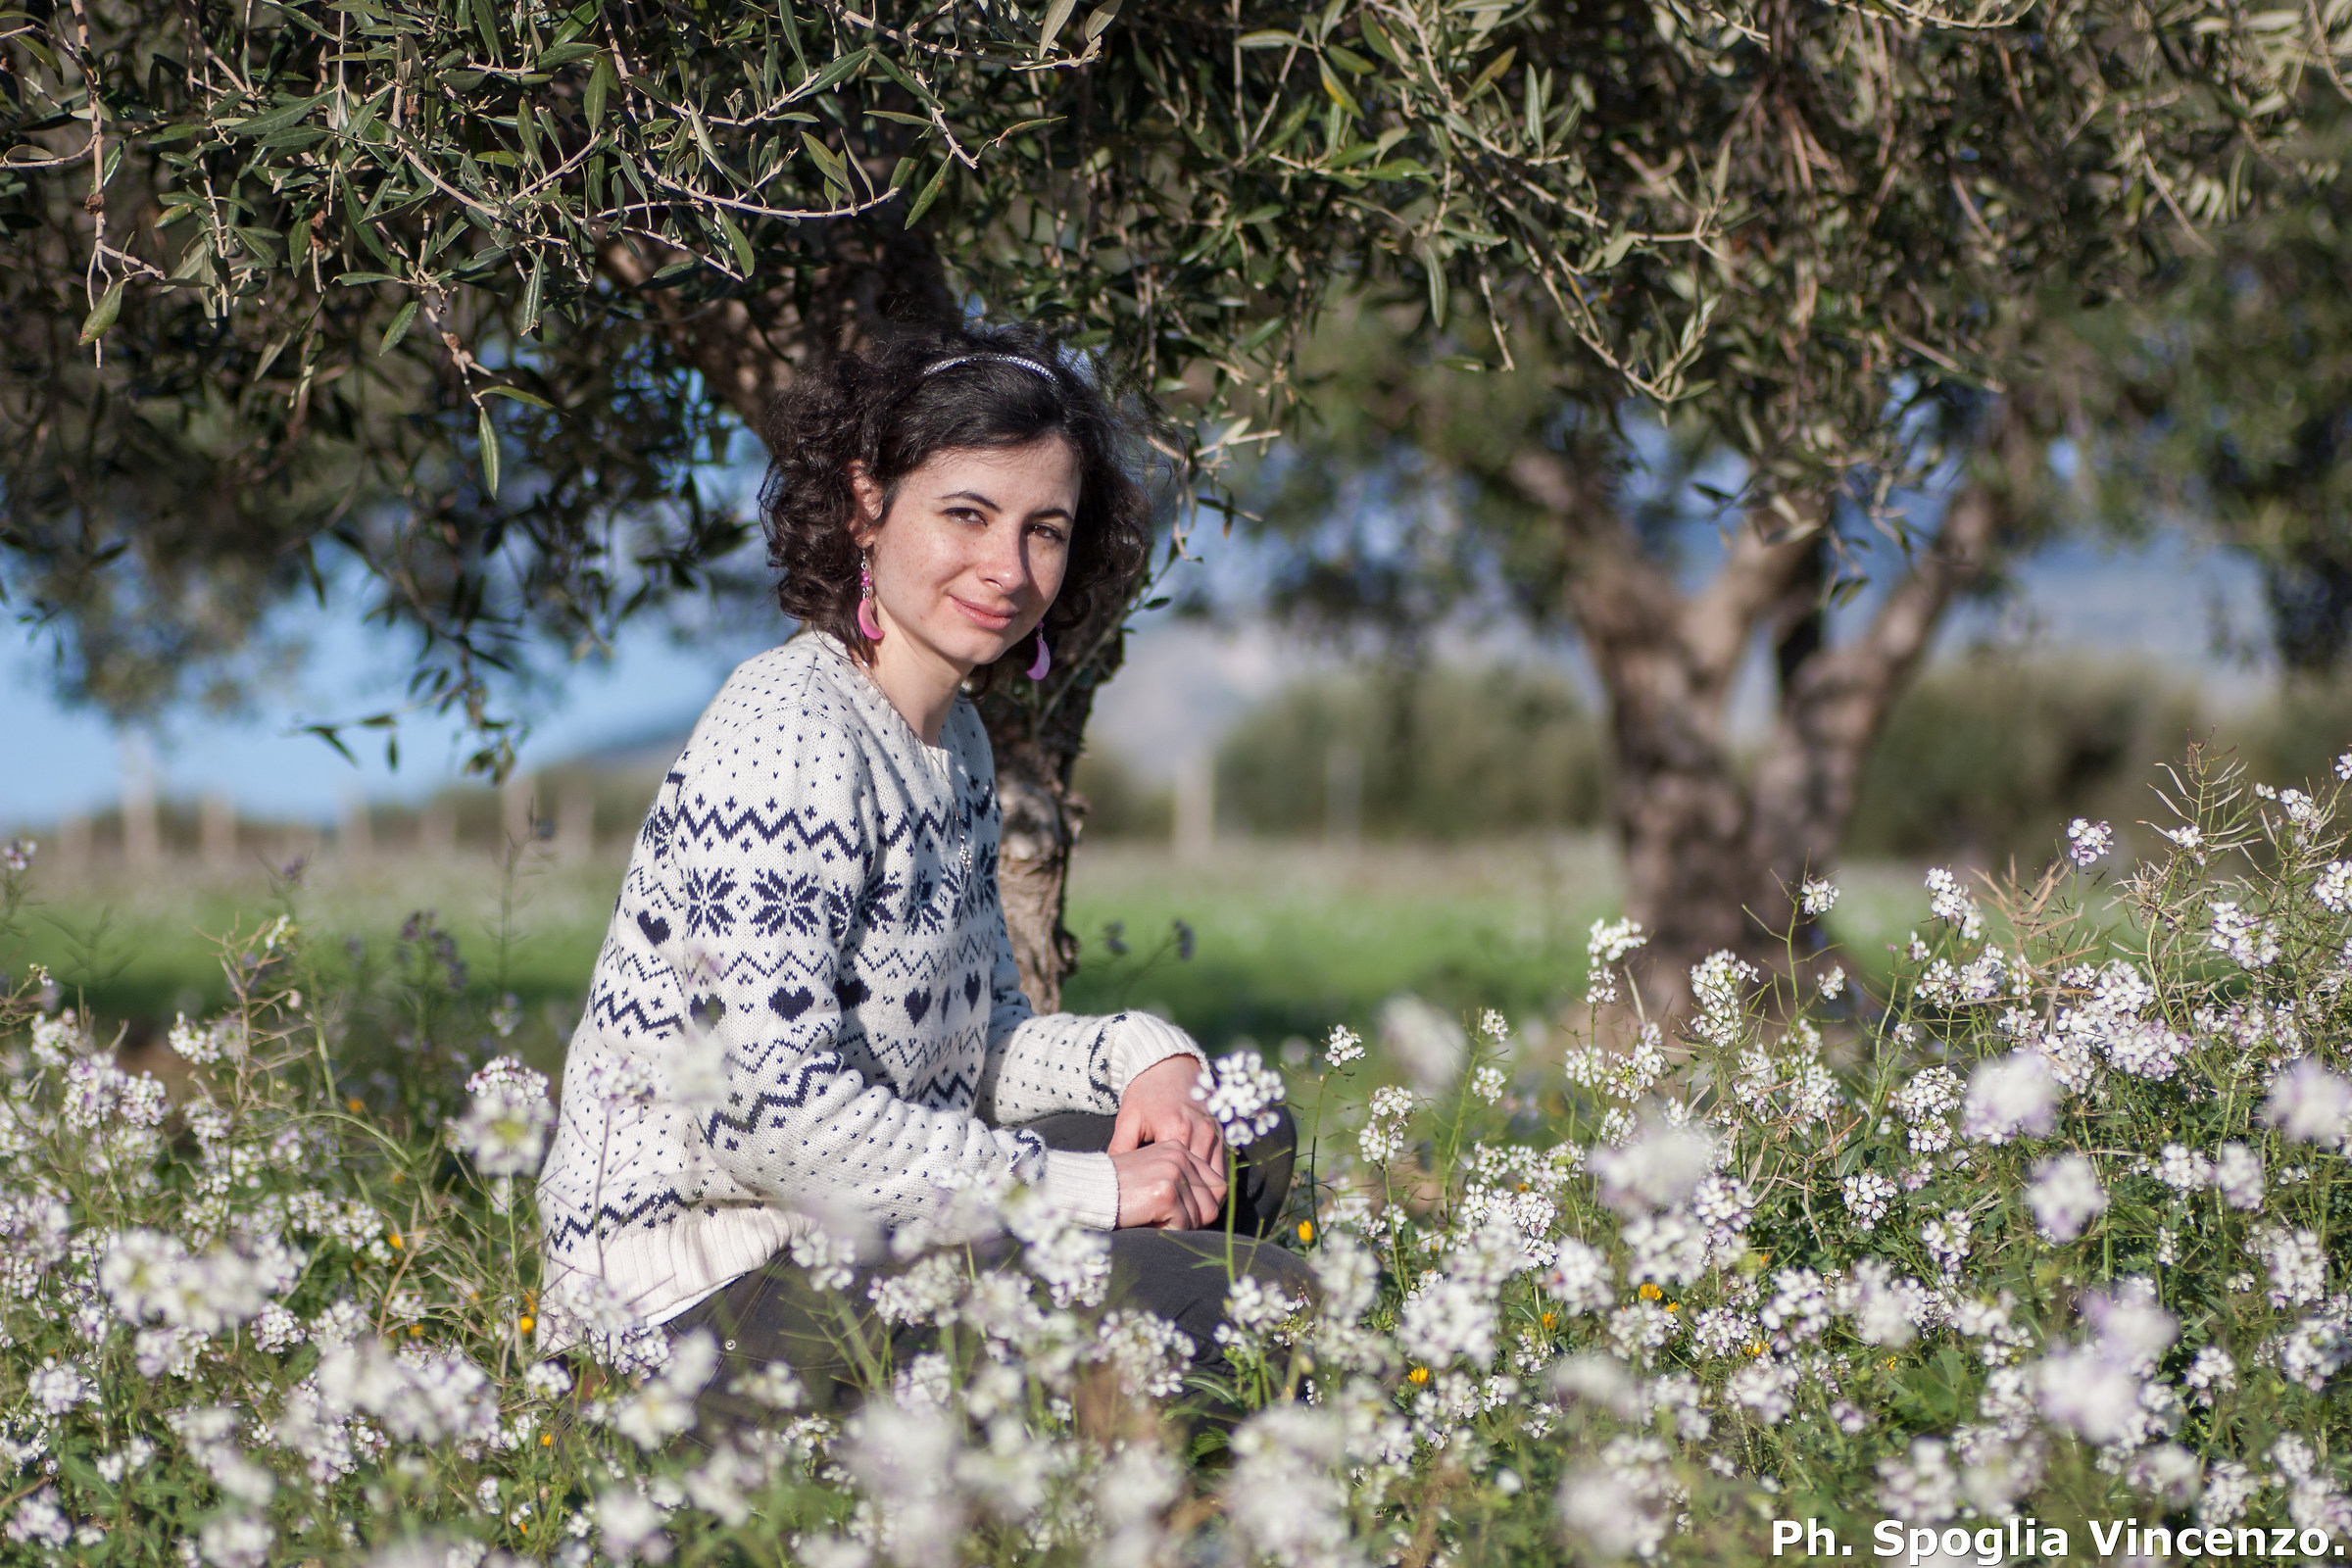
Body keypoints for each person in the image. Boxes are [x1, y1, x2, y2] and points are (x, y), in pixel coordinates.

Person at [533, 323, 1307, 1422]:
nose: (1009, 568)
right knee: (1254, 1304)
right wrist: (1084, 1191)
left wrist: (1150, 1065)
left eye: (1046, 530)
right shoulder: (788, 730)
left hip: (855, 1230)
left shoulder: (954, 748)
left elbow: (979, 1049)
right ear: (865, 504)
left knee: (1238, 1131)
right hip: (691, 1303)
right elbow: (766, 1117)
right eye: (967, 514)